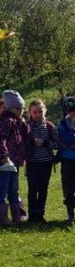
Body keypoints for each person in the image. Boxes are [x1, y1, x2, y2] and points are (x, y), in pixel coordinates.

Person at [25, 99, 58, 223]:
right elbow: (23, 143)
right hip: (32, 162)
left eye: (40, 111)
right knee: (32, 188)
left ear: (45, 111)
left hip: (46, 162)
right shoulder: (27, 126)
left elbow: (56, 144)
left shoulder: (50, 126)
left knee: (43, 188)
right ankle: (32, 215)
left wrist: (44, 143)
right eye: (35, 112)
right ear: (30, 113)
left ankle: (40, 214)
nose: (38, 115)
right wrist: (32, 142)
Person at [0, 90, 28, 225]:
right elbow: (1, 139)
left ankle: (17, 217)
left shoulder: (17, 121)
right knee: (3, 189)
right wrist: (4, 157)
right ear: (13, 108)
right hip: (6, 163)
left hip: (15, 162)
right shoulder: (6, 121)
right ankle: (3, 219)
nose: (22, 110)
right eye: (20, 108)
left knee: (13, 189)